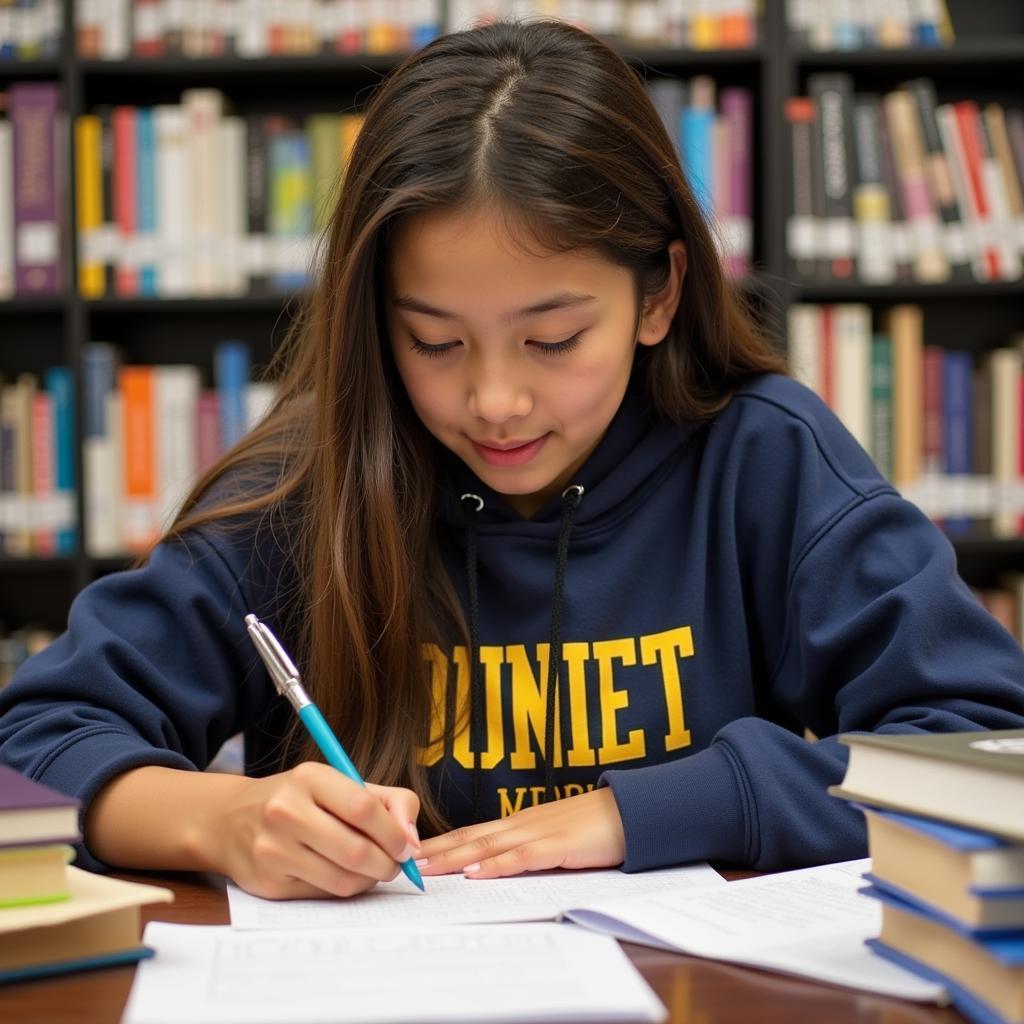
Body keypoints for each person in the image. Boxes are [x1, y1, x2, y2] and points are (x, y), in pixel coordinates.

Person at [2, 19, 1023, 902]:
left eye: (552, 339)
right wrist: (217, 818)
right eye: (434, 342)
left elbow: (983, 750)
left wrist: (672, 806)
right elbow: (33, 743)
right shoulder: (307, 486)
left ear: (658, 296)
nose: (494, 401)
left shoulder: (763, 461)